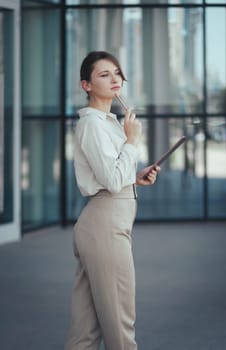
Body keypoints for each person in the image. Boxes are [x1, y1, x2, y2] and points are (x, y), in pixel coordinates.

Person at [65, 51, 160, 350]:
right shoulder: (93, 124)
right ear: (86, 85)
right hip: (105, 227)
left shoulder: (107, 122)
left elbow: (114, 176)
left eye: (117, 72)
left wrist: (136, 177)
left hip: (102, 224)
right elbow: (111, 180)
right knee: (121, 326)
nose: (114, 78)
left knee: (86, 332)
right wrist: (131, 140)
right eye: (104, 74)